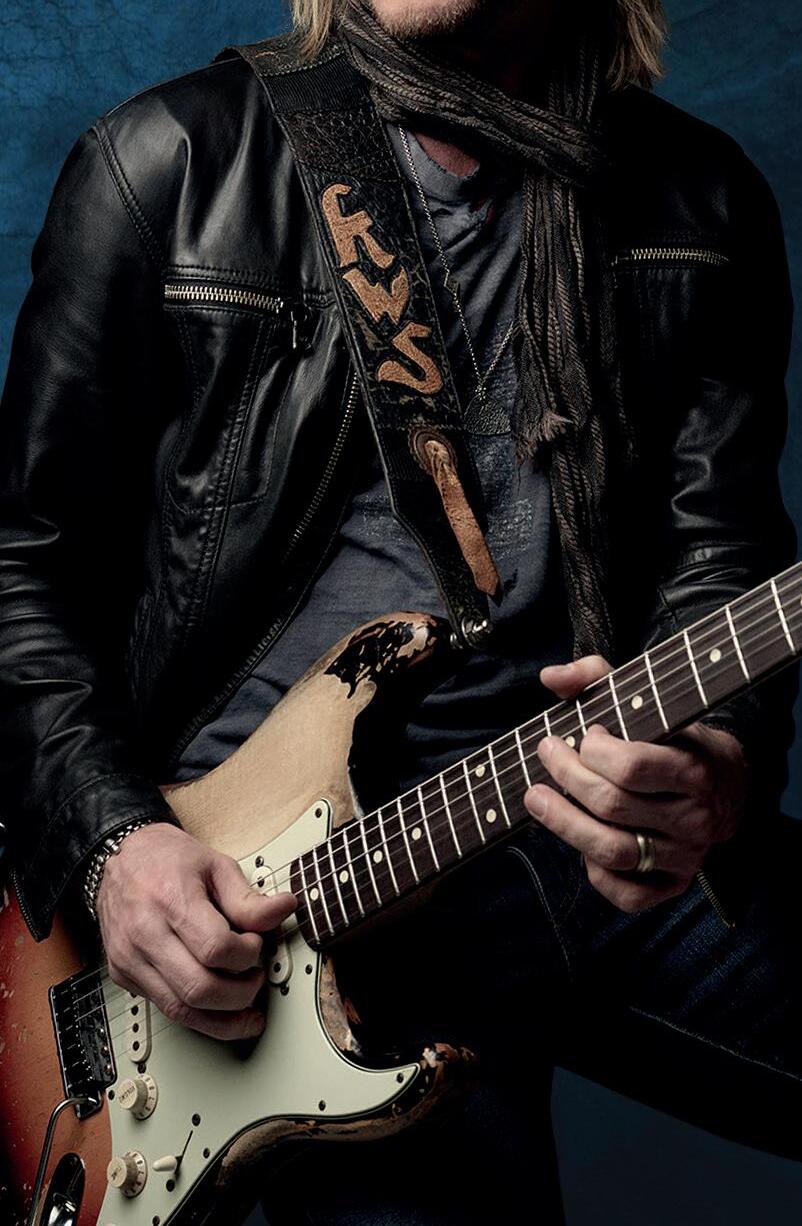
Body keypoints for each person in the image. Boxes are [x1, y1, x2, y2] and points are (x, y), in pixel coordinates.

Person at [1, 0, 800, 1221]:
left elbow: (722, 549)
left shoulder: (700, 200)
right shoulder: (170, 161)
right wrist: (115, 844)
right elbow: (24, 571)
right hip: (285, 896)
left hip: (584, 828)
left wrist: (716, 761)